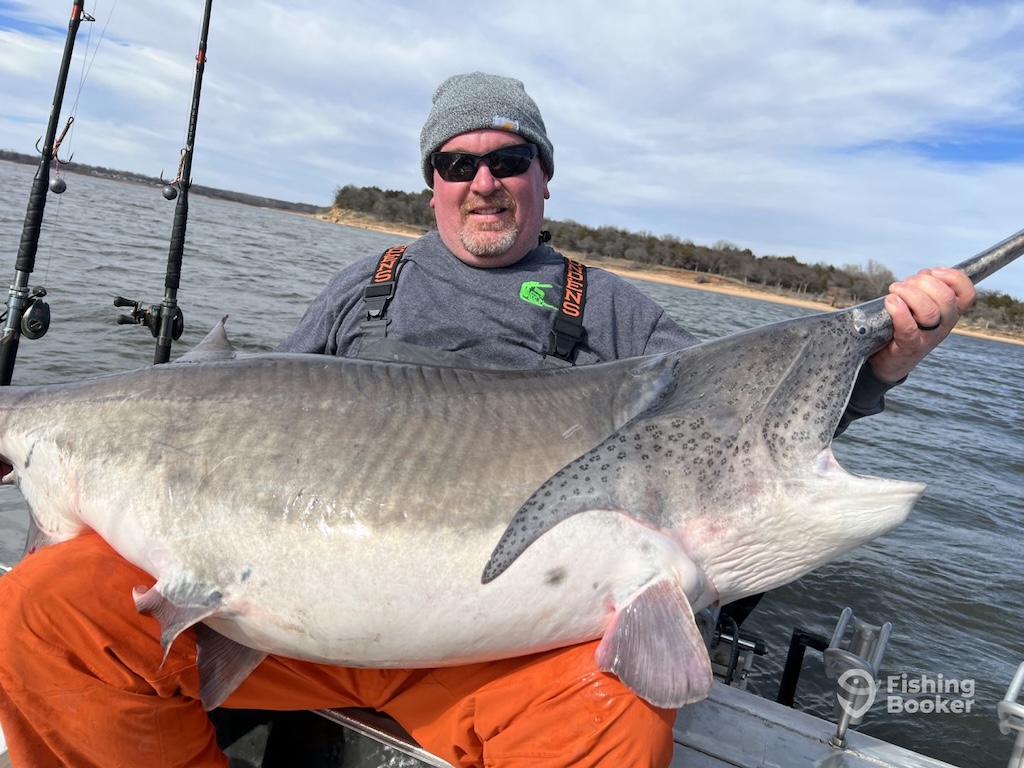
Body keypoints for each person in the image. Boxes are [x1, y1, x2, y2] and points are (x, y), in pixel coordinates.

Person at [0, 72, 974, 768]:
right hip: (276, 619)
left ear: (541, 175)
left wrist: (878, 358)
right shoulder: (362, 285)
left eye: (507, 158)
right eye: (457, 162)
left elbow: (739, 413)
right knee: (42, 617)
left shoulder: (616, 313)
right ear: (431, 180)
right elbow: (258, 401)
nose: (482, 180)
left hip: (489, 652)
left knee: (616, 728)